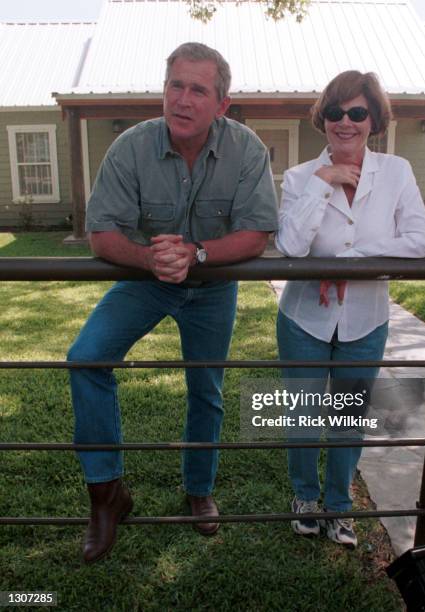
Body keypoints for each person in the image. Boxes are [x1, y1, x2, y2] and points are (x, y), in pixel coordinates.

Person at [68, 42, 278, 563]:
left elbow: (256, 234)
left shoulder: (247, 149)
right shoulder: (131, 147)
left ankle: (199, 489)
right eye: (174, 85)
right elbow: (100, 234)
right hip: (148, 277)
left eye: (198, 89)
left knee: (206, 389)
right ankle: (107, 496)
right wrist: (151, 260)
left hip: (212, 287)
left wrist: (196, 254)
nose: (182, 99)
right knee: (86, 357)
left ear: (221, 104)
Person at [275, 70, 425, 548]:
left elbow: (420, 241)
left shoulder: (397, 172)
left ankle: (339, 506)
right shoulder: (300, 176)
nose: (345, 122)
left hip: (367, 318)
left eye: (357, 112)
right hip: (304, 317)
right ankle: (305, 498)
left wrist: (349, 263)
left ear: (374, 120)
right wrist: (322, 183)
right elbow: (291, 246)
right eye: (335, 112)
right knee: (303, 414)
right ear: (322, 119)